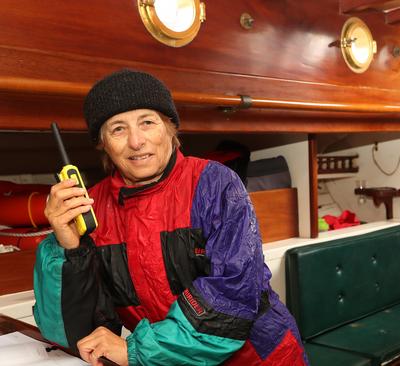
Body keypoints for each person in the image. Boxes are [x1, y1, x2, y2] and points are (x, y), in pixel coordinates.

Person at [34, 69, 308, 366]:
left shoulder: (215, 183)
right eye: (118, 129)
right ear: (103, 144)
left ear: (169, 128)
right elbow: (71, 333)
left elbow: (232, 300)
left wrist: (137, 351)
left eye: (147, 122)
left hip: (259, 358)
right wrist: (68, 249)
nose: (136, 142)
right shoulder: (91, 207)